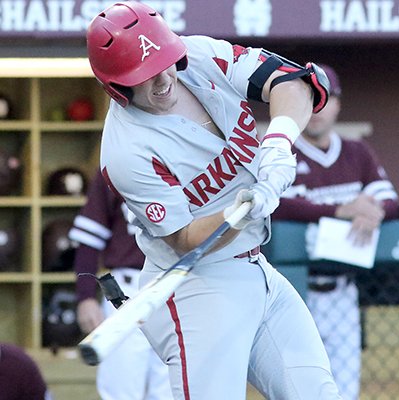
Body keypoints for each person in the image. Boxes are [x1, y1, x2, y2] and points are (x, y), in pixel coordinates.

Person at [85, 2, 341, 399]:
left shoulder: (200, 55)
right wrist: (241, 210)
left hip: (257, 268)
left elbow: (293, 81)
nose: (163, 79)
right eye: (144, 75)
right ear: (117, 88)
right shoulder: (126, 152)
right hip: (196, 287)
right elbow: (185, 239)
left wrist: (277, 141)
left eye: (165, 62)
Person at [272, 64, 399, 400]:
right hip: (295, 290)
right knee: (297, 389)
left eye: (324, 99)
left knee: (344, 389)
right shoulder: (280, 152)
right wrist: (338, 211)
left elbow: (390, 198)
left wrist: (374, 212)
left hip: (344, 290)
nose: (316, 109)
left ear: (338, 105)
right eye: (308, 99)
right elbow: (273, 204)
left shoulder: (357, 152)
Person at [68, 169, 172, 400]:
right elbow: (89, 237)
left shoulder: (189, 158)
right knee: (121, 391)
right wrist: (85, 297)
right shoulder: (115, 162)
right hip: (127, 292)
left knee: (171, 391)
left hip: (177, 287)